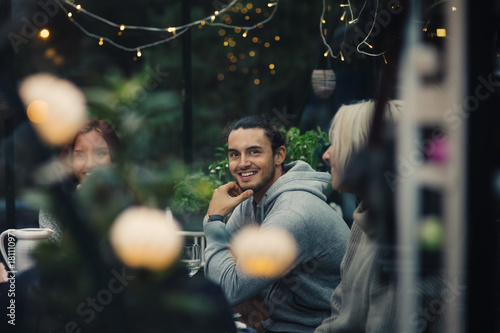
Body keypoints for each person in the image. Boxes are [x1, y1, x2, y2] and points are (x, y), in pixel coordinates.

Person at [203, 115, 350, 333]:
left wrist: (214, 219)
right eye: (235, 154)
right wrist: (250, 294)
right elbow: (221, 274)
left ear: (279, 155)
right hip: (274, 325)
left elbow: (228, 288)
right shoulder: (251, 200)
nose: (242, 163)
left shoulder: (293, 212)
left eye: (254, 151)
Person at [39, 119, 121, 243]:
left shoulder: (129, 198)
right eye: (80, 155)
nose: (90, 164)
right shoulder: (55, 204)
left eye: (100, 153)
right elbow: (56, 258)